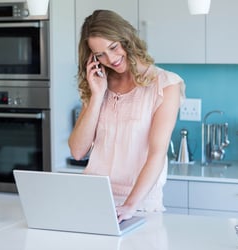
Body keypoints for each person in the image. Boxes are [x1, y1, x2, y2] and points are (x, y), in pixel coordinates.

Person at [68, 10, 185, 222]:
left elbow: (156, 155)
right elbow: (77, 151)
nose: (110, 59)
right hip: (93, 199)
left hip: (139, 205)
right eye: (100, 54)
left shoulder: (165, 84)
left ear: (127, 39)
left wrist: (129, 205)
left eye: (113, 47)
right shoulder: (98, 85)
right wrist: (96, 95)